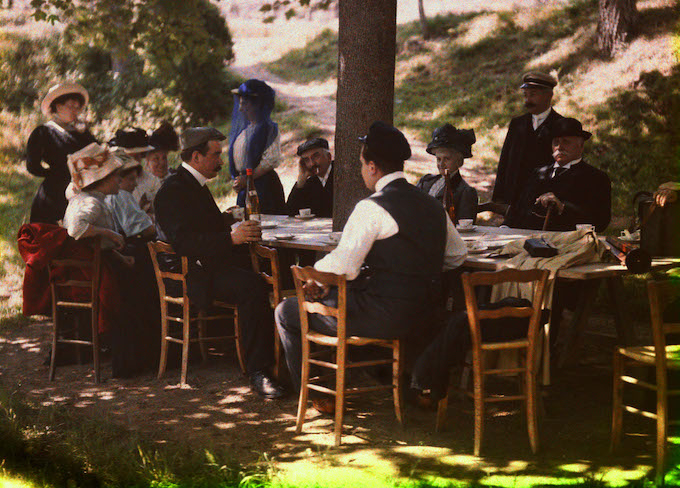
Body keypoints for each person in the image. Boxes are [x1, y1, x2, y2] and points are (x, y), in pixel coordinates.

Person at [275, 121, 468, 408]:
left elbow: (345, 266)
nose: (361, 170)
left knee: (287, 310)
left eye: (362, 164)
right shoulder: (432, 205)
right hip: (426, 312)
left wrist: (316, 279)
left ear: (373, 167)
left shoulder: (372, 207)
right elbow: (457, 256)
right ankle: (394, 381)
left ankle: (315, 394)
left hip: (387, 317)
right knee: (345, 297)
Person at [154, 126, 285, 399]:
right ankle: (258, 371)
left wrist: (228, 222)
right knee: (252, 285)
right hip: (194, 275)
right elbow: (184, 243)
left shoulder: (193, 185)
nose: (221, 161)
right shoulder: (173, 190)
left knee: (275, 267)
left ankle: (283, 358)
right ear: (196, 157)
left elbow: (201, 227)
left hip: (211, 263)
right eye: (215, 155)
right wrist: (230, 238)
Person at [504, 118, 611, 232]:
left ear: (581, 145)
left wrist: (563, 208)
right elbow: (517, 209)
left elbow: (601, 222)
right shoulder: (538, 173)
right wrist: (504, 227)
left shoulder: (596, 178)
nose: (559, 147)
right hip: (526, 240)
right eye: (556, 142)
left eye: (566, 141)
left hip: (568, 244)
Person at [489, 72, 564, 211]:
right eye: (525, 95)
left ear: (549, 95)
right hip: (515, 195)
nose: (528, 100)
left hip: (543, 198)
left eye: (533, 94)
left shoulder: (561, 125)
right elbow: (505, 160)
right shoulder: (517, 124)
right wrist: (499, 197)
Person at [26, 82, 97, 224]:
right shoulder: (44, 132)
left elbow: (98, 153)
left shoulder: (81, 132)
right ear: (58, 106)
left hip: (84, 190)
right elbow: (32, 166)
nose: (75, 111)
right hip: (54, 194)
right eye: (71, 106)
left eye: (77, 107)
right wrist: (56, 173)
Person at [228, 79, 286, 215]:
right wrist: (239, 181)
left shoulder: (269, 129)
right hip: (246, 186)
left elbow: (270, 161)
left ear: (257, 105)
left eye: (244, 104)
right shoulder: (245, 131)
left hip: (263, 188)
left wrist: (248, 179)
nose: (240, 108)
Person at [416, 123, 478, 224]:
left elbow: (463, 227)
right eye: (438, 159)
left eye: (447, 159)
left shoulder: (465, 192)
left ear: (459, 161)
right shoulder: (426, 181)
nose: (441, 164)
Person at [104, 153, 155, 240]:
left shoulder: (109, 195)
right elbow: (146, 230)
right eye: (131, 179)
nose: (135, 184)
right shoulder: (121, 195)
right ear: (117, 178)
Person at [133, 121, 179, 214]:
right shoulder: (139, 183)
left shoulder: (176, 179)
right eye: (156, 159)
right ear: (147, 162)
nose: (161, 163)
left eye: (164, 158)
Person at [286, 137, 334, 217]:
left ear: (328, 157)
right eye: (307, 160)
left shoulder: (340, 175)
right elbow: (290, 212)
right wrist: (301, 180)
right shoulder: (309, 183)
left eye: (315, 156)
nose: (312, 164)